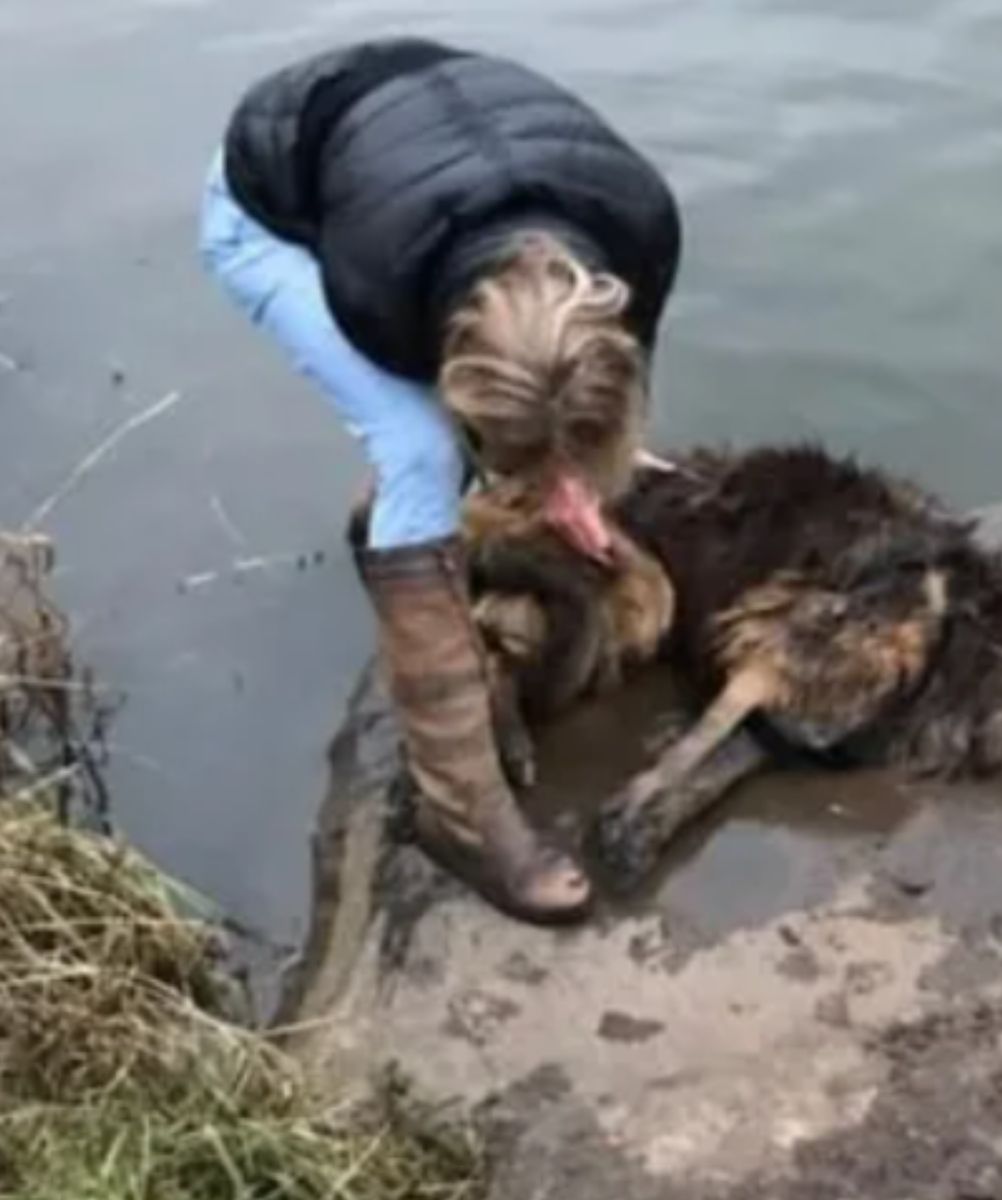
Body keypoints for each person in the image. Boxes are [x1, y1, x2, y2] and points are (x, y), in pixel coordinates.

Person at [199, 37, 681, 925]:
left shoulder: (641, 226)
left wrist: (571, 478)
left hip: (422, 156)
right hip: (267, 207)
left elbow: (609, 379)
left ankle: (387, 523)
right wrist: (476, 473)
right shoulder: (380, 289)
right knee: (418, 448)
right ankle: (456, 816)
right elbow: (436, 404)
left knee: (487, 446)